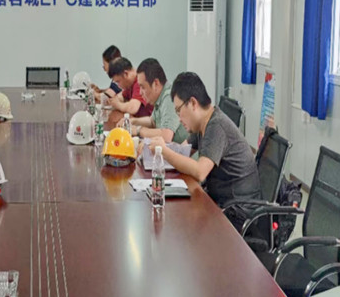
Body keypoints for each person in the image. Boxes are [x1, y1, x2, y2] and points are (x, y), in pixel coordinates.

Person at [149, 72, 261, 229]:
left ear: (193, 103)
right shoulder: (202, 124)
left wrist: (164, 151)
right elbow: (182, 151)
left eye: (179, 110)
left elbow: (200, 171)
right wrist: (152, 148)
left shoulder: (216, 126)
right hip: (222, 203)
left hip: (239, 214)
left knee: (180, 226)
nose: (179, 118)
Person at [129, 58, 189, 144]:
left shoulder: (169, 97)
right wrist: (133, 121)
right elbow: (152, 121)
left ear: (156, 83)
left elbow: (166, 136)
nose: (140, 92)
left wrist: (139, 130)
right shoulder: (160, 97)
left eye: (143, 87)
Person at [105, 57, 153, 126]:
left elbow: (133, 108)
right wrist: (114, 100)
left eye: (118, 81)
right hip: (138, 122)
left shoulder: (139, 81)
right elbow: (122, 96)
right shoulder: (129, 83)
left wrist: (118, 104)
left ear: (126, 74)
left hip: (149, 126)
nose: (118, 86)